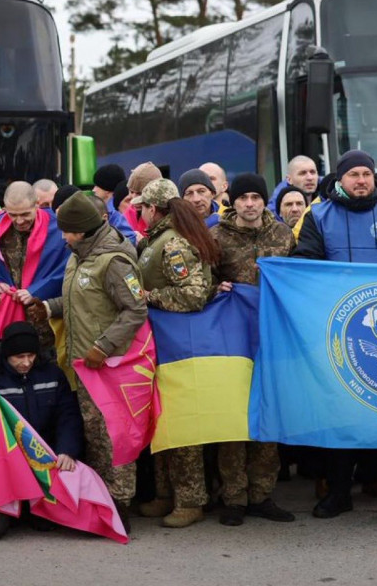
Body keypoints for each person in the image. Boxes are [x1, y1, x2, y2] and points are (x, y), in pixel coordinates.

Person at [293, 150, 377, 533]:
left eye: (367, 173)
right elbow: (306, 263)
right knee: (340, 413)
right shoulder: (318, 216)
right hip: (340, 334)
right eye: (354, 175)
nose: (362, 180)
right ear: (341, 179)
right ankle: (339, 493)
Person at [45, 190, 145, 526]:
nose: (63, 236)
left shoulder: (112, 261)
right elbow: (81, 301)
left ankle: (120, 505)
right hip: (82, 365)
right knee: (94, 436)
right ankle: (100, 502)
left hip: (106, 365)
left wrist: (102, 347)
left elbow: (134, 310)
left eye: (68, 230)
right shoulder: (79, 254)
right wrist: (48, 307)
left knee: (111, 437)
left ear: (84, 229)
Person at [210, 173, 296, 526]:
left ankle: (262, 494)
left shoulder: (283, 235)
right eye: (243, 197)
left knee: (268, 413)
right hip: (233, 339)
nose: (249, 203)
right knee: (235, 417)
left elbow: (296, 278)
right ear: (234, 201)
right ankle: (233, 497)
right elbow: (205, 278)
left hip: (273, 340)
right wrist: (217, 286)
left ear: (264, 200)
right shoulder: (216, 236)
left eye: (255, 198)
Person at [0, 322, 82, 541]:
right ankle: (2, 507)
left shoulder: (52, 374)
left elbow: (68, 415)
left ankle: (28, 508)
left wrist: (67, 450)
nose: (26, 362)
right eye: (19, 357)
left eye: (31, 355)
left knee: (48, 523)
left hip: (41, 467)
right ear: (6, 355)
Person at [133, 178, 218, 529]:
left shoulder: (173, 245)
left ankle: (191, 499)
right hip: (162, 342)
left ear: (154, 209)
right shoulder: (159, 239)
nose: (139, 213)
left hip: (180, 342)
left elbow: (195, 293)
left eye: (142, 208)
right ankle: (166, 493)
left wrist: (149, 296)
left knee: (181, 424)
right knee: (162, 422)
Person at [0, 181, 68, 354]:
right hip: (12, 318)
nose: (19, 221)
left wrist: (35, 291)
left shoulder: (58, 228)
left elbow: (66, 271)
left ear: (37, 205)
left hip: (47, 319)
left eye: (25, 214)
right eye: (12, 215)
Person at [91, 163, 135, 240]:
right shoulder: (110, 210)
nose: (94, 190)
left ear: (107, 189)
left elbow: (130, 238)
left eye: (97, 186)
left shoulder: (115, 213)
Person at [123, 162, 162, 239]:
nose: (133, 198)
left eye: (139, 193)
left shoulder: (165, 216)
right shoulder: (128, 213)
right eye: (131, 192)